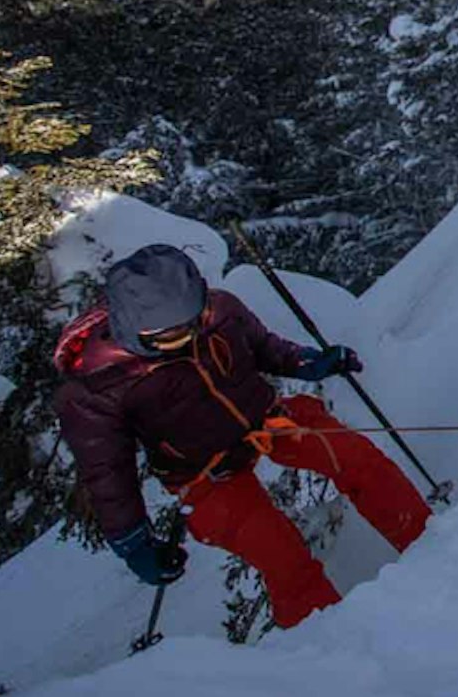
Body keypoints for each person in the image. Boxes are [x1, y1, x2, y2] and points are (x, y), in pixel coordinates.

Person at [55, 244, 431, 628]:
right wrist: (132, 541)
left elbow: (264, 348)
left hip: (265, 421)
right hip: (204, 473)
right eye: (167, 339)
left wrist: (307, 363)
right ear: (130, 331)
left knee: (355, 458)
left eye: (193, 323)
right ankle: (327, 638)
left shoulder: (220, 311)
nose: (186, 339)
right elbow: (107, 473)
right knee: (280, 554)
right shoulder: (96, 388)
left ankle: (432, 547)